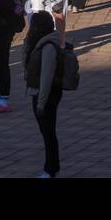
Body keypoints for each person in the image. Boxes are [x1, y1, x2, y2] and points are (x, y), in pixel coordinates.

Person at [23, 10, 67, 178]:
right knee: (46, 131)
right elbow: (25, 62)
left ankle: (51, 168)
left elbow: (46, 77)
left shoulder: (48, 46)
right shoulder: (38, 43)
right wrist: (27, 41)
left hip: (47, 94)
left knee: (48, 132)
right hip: (39, 92)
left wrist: (41, 102)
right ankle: (51, 167)